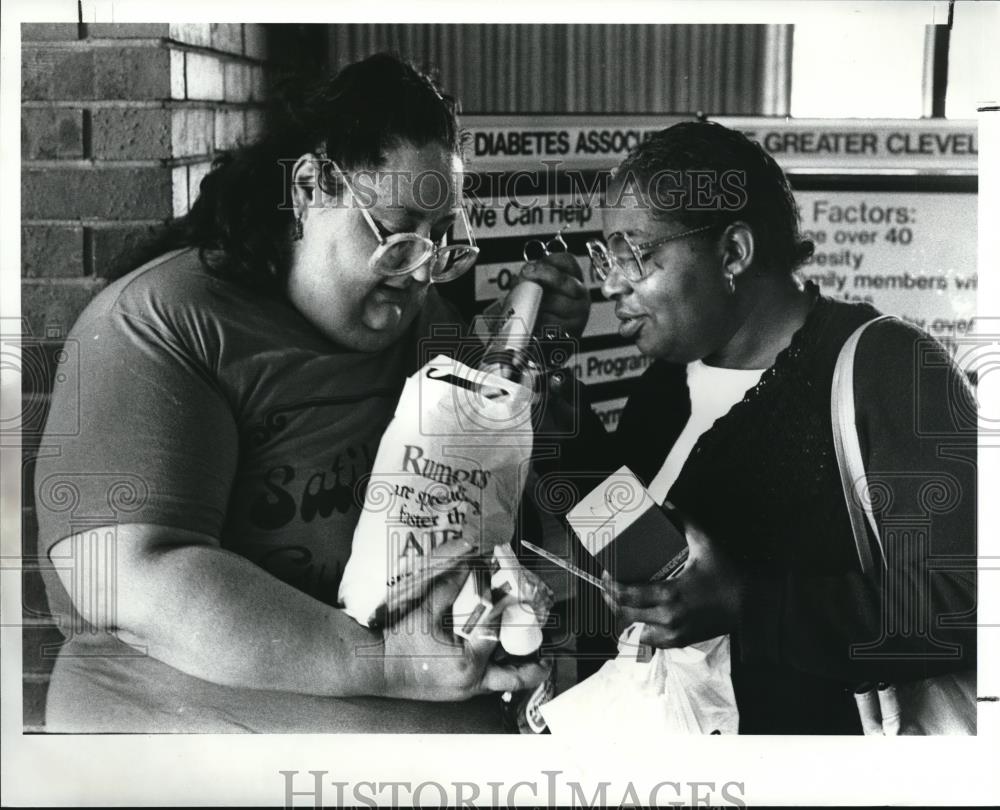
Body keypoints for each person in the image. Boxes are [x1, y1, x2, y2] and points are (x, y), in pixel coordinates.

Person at [33, 54, 589, 733]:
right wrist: (386, 661)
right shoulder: (161, 324)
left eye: (440, 244)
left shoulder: (424, 319)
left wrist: (539, 361)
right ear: (309, 188)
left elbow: (504, 482)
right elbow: (126, 577)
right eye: (395, 238)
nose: (417, 275)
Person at [585, 121, 976, 734]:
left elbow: (966, 607)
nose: (610, 283)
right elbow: (635, 550)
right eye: (604, 256)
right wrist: (553, 422)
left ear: (733, 253)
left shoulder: (889, 366)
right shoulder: (668, 382)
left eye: (635, 254)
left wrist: (748, 603)